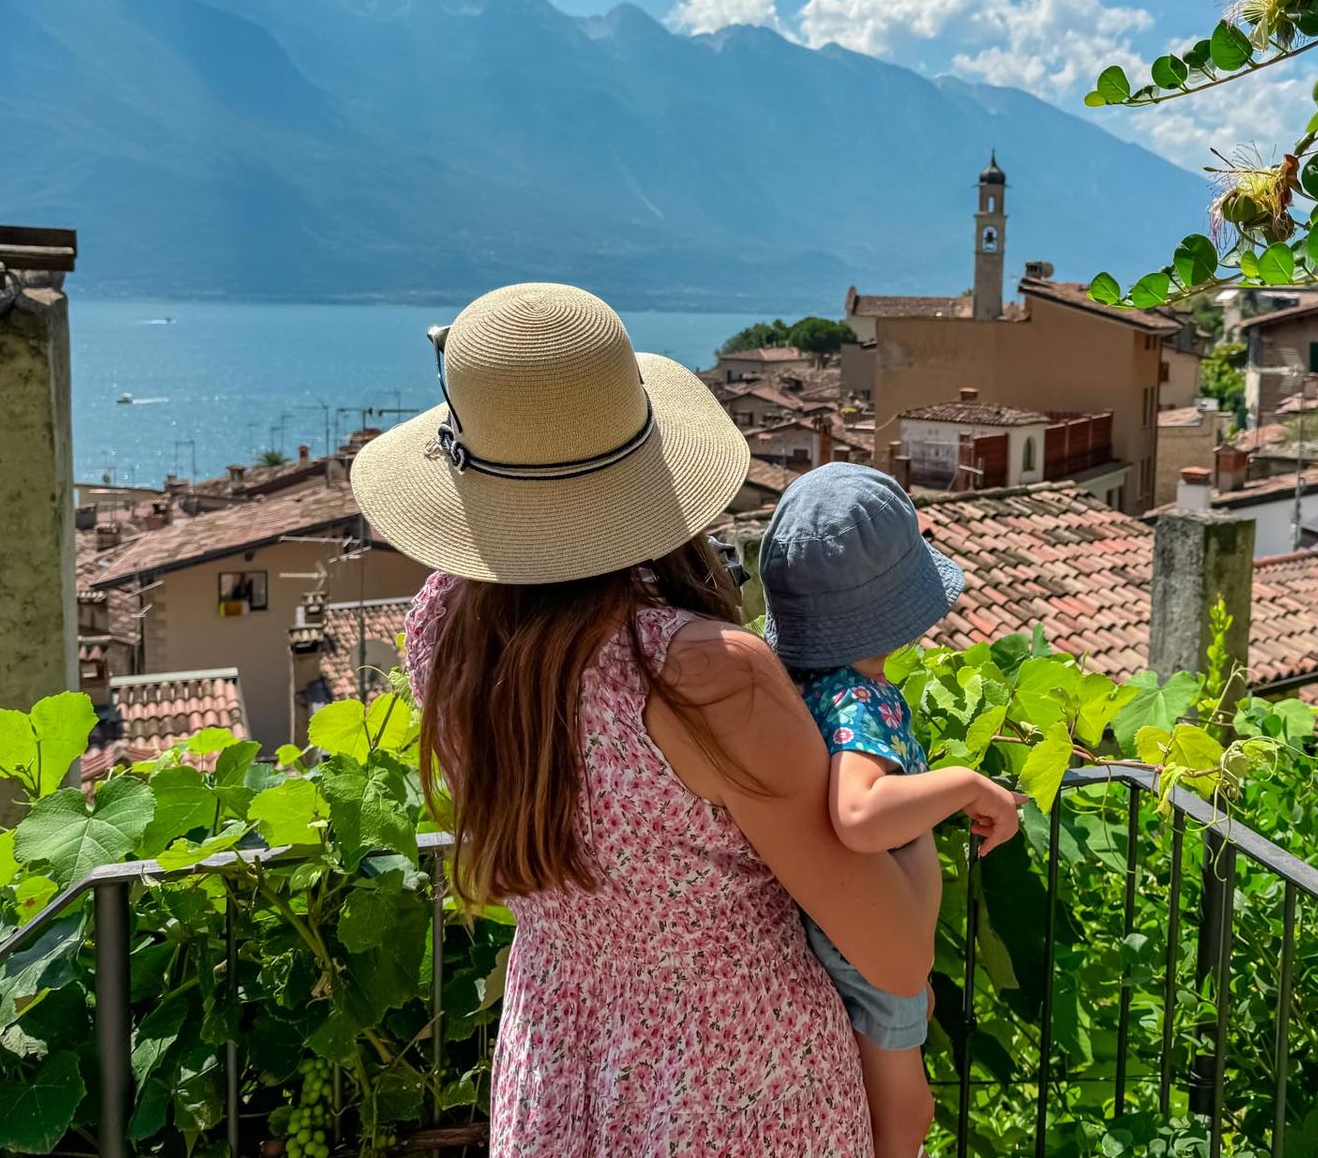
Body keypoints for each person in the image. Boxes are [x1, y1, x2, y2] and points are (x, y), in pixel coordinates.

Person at [352, 283, 935, 1157]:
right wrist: (922, 803)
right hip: (739, 1083)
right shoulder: (703, 675)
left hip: (558, 1055)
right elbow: (894, 957)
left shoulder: (445, 627)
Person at [759, 463, 1026, 1158]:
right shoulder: (860, 700)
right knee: (908, 1117)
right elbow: (860, 814)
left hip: (830, 929)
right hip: (863, 940)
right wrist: (966, 784)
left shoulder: (792, 686)